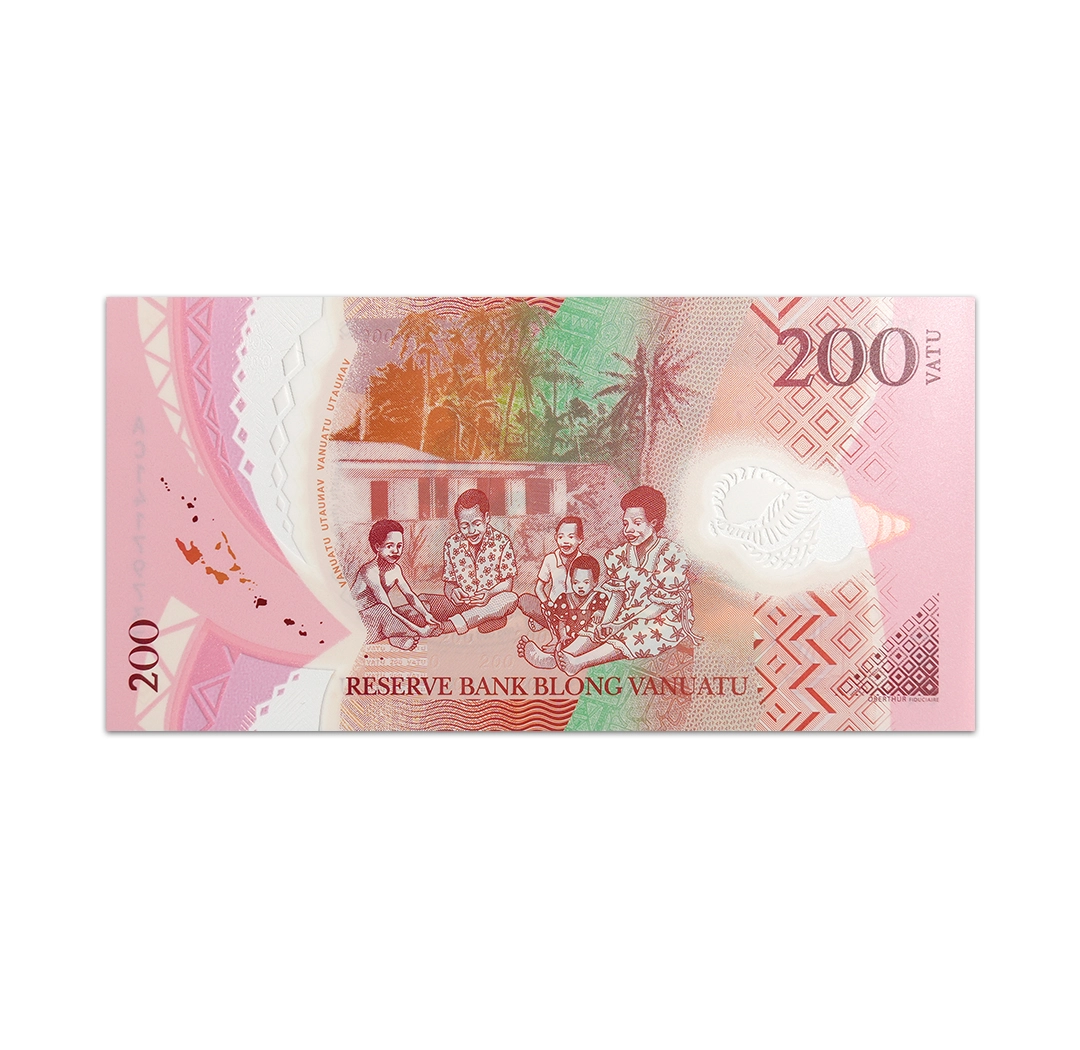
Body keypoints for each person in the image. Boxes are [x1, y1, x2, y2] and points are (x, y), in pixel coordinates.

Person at [518, 485, 696, 673]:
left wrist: (619, 624)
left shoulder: (672, 554)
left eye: (637, 523)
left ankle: (579, 662)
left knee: (634, 630)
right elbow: (617, 597)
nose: (629, 529)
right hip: (626, 611)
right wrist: (607, 623)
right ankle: (555, 657)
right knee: (599, 622)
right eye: (626, 523)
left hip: (663, 616)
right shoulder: (619, 555)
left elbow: (659, 606)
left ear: (653, 522)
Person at [422, 488, 519, 634]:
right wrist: (453, 593)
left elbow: (507, 584)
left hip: (489, 604)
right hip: (461, 605)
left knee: (510, 598)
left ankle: (450, 626)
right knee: (422, 600)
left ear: (487, 518)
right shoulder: (451, 544)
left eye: (477, 523)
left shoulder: (502, 542)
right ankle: (487, 620)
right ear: (458, 523)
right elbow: (449, 584)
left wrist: (489, 593)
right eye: (464, 526)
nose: (471, 531)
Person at [350, 519, 445, 650]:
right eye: (390, 546)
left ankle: (396, 637)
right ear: (377, 547)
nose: (395, 551)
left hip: (381, 620)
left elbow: (410, 596)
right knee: (383, 610)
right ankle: (408, 634)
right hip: (358, 623)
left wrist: (426, 615)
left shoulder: (395, 569)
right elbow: (387, 608)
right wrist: (419, 630)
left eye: (399, 546)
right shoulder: (369, 571)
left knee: (415, 609)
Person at [517, 515, 585, 651]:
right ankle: (553, 632)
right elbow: (539, 588)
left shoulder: (584, 561)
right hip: (553, 609)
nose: (565, 541)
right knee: (524, 600)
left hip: (575, 611)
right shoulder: (550, 559)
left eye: (571, 537)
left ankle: (553, 631)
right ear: (556, 538)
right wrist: (546, 603)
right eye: (561, 537)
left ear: (580, 539)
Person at [546, 554, 609, 648]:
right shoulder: (564, 599)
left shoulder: (599, 598)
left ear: (595, 582)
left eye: (586, 582)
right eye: (576, 582)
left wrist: (600, 612)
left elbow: (607, 615)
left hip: (588, 641)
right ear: (571, 580)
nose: (580, 586)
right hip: (568, 639)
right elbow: (561, 623)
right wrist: (563, 636)